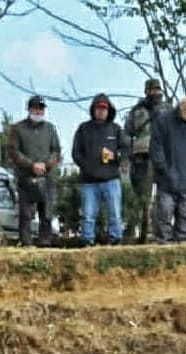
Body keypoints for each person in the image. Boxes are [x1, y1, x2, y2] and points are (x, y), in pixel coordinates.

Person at [72, 93, 126, 247]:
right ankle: (87, 241)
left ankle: (115, 239)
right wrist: (87, 167)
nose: (101, 111)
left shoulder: (116, 129)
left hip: (111, 179)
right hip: (89, 181)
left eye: (104, 108)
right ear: (93, 110)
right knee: (88, 215)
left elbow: (126, 150)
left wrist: (115, 156)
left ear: (109, 110)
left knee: (115, 213)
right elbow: (76, 153)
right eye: (98, 108)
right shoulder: (83, 129)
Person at [150, 95, 186, 244]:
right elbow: (156, 149)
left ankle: (185, 242)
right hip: (166, 180)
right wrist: (164, 170)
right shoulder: (162, 121)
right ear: (180, 109)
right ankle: (164, 245)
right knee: (164, 215)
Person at [7, 95, 61, 247]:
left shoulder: (50, 128)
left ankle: (45, 243)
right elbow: (13, 151)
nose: (38, 111)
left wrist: (46, 165)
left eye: (41, 108)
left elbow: (56, 150)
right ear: (29, 109)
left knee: (47, 213)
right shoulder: (17, 128)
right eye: (35, 108)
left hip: (47, 176)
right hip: (26, 177)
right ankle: (26, 243)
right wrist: (31, 165)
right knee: (25, 214)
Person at [123, 78, 169, 243]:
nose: (156, 93)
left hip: (163, 157)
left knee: (164, 197)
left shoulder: (168, 109)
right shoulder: (136, 111)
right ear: (146, 92)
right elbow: (127, 133)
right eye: (152, 90)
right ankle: (138, 232)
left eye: (158, 90)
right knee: (142, 197)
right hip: (141, 157)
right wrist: (128, 154)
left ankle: (161, 232)